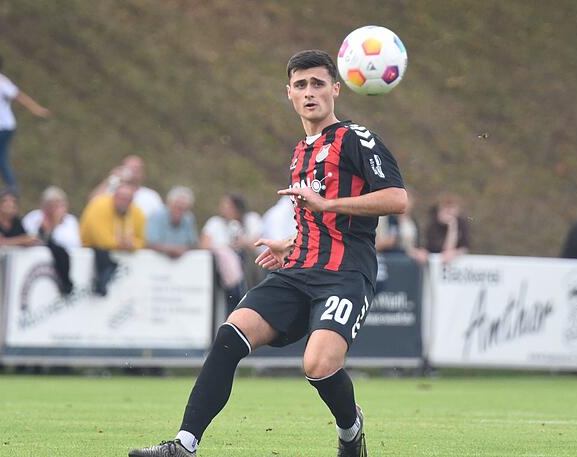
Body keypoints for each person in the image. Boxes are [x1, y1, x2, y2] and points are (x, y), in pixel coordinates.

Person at [130, 49, 407, 457]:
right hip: (297, 270)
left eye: (317, 83)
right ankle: (184, 445)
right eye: (300, 85)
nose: (309, 92)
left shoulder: (355, 138)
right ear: (289, 94)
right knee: (229, 335)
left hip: (346, 274)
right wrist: (291, 244)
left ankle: (351, 430)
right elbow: (320, 222)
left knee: (318, 365)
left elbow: (397, 198)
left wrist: (327, 205)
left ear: (335, 88)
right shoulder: (300, 152)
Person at [0, 52, 50, 194]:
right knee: (1, 161)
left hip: (2, 128)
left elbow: (19, 96)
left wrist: (37, 109)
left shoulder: (1, 83)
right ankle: (12, 189)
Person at [80, 182, 146, 295]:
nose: (124, 202)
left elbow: (143, 240)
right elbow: (101, 240)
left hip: (119, 255)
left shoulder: (137, 212)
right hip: (94, 249)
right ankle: (100, 285)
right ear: (114, 196)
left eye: (127, 199)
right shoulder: (99, 206)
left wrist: (133, 244)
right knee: (102, 255)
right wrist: (122, 244)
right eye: (121, 198)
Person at [200, 193, 259, 310]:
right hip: (222, 271)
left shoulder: (251, 220)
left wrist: (243, 242)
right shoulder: (215, 223)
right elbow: (203, 244)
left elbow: (258, 243)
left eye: (228, 206)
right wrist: (224, 250)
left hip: (248, 269)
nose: (223, 209)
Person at [22, 186, 80, 295]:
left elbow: (73, 243)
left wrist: (55, 224)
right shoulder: (34, 217)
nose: (55, 209)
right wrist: (47, 227)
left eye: (60, 205)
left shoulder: (70, 221)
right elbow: (30, 238)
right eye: (52, 205)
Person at [89, 155, 163, 217]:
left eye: (138, 168)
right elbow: (92, 203)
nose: (135, 171)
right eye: (131, 167)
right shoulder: (112, 192)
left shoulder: (151, 196)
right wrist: (110, 180)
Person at [146, 186, 199, 258]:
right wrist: (172, 249)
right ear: (169, 204)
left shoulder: (189, 218)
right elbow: (150, 243)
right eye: (177, 206)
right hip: (155, 261)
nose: (180, 210)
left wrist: (182, 249)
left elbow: (193, 244)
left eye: (184, 208)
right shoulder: (156, 216)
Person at [22, 186, 81, 250]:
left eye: (62, 205)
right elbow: (28, 240)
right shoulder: (33, 217)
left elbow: (74, 244)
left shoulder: (71, 220)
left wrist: (56, 223)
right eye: (55, 206)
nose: (59, 210)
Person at [424, 192, 469, 263]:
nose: (448, 211)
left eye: (452, 207)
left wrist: (452, 226)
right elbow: (439, 249)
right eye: (445, 207)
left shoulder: (461, 223)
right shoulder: (433, 224)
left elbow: (464, 246)